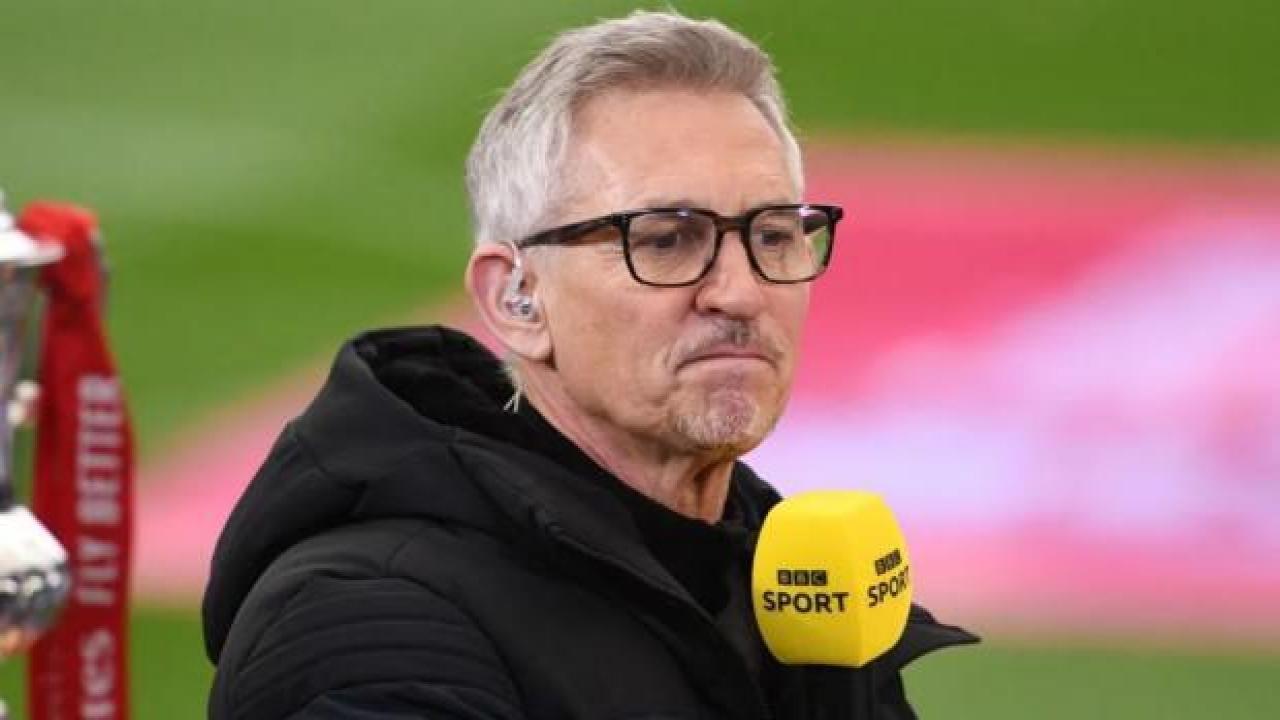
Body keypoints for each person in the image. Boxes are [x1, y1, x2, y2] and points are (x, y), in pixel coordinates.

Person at [203, 10, 976, 719]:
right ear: (517, 298)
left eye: (772, 235)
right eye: (665, 239)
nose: (740, 292)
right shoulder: (372, 628)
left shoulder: (785, 584)